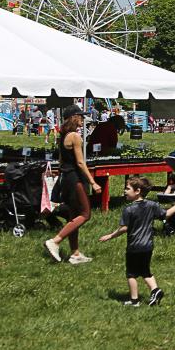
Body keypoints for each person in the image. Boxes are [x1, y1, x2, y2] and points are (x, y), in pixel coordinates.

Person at [99, 176, 175, 306]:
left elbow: (124, 228)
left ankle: (134, 301)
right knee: (145, 271)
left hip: (134, 246)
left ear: (137, 191)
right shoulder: (152, 205)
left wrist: (110, 235)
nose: (125, 191)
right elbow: (166, 214)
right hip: (148, 246)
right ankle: (156, 290)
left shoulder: (129, 209)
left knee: (131, 274)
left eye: (127, 189)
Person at [44, 105, 102, 265]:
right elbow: (80, 162)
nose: (83, 119)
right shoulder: (75, 137)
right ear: (74, 117)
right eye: (80, 116)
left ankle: (75, 253)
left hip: (65, 177)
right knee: (85, 214)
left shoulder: (63, 136)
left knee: (73, 214)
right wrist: (93, 182)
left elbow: (62, 160)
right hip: (74, 178)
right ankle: (55, 241)